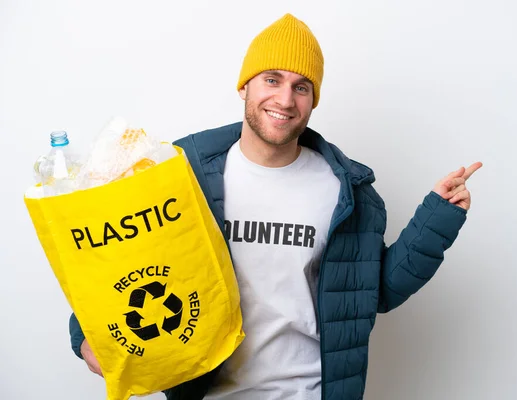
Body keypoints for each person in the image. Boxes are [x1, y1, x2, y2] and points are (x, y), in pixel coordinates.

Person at [68, 13, 482, 400]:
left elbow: (374, 292)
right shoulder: (180, 176)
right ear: (245, 85)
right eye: (272, 79)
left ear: (313, 100)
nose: (285, 99)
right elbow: (122, 262)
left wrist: (438, 218)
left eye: (301, 87)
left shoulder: (349, 193)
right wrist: (85, 333)